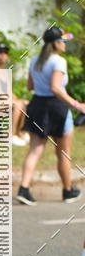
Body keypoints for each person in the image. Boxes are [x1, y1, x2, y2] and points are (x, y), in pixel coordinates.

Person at [17, 27, 85, 205]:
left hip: (38, 105)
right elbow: (56, 88)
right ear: (55, 43)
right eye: (63, 40)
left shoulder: (34, 61)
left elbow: (30, 86)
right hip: (57, 108)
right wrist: (77, 105)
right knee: (63, 153)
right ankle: (68, 190)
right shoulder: (59, 61)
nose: (65, 44)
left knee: (34, 150)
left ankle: (23, 189)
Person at [0, 41, 29, 146]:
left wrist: (18, 99)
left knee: (24, 103)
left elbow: (9, 92)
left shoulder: (3, 71)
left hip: (3, 103)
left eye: (5, 53)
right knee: (16, 104)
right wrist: (13, 100)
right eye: (0, 53)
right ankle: (10, 136)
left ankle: (19, 132)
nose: (3, 56)